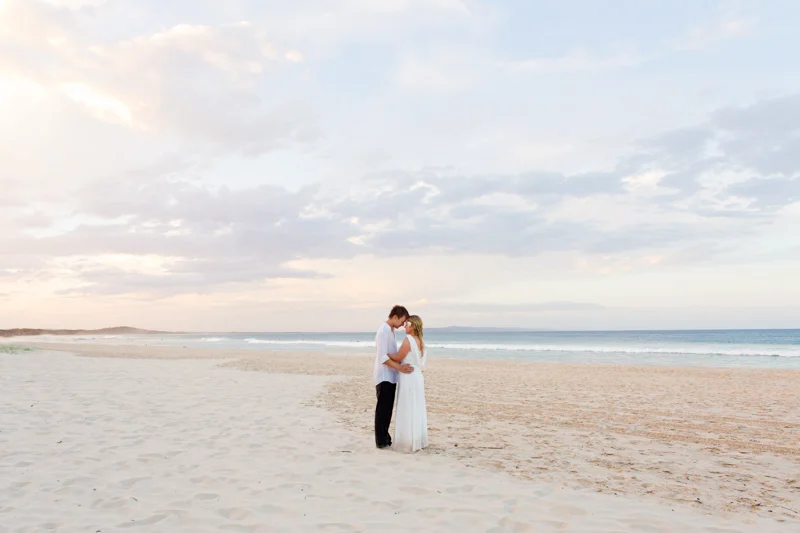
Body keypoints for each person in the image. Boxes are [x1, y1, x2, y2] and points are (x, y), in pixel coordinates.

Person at [374, 305, 414, 449]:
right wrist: (400, 368)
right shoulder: (383, 330)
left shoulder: (390, 331)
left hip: (391, 375)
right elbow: (382, 357)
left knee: (388, 409)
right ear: (395, 316)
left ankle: (385, 437)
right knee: (382, 409)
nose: (403, 325)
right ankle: (381, 441)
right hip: (384, 375)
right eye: (403, 321)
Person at [388, 315, 428, 453]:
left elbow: (398, 357)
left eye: (406, 324)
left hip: (408, 376)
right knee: (416, 406)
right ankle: (417, 439)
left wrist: (385, 353)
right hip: (417, 375)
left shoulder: (409, 339)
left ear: (412, 326)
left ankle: (407, 441)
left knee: (407, 405)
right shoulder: (420, 340)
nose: (404, 326)